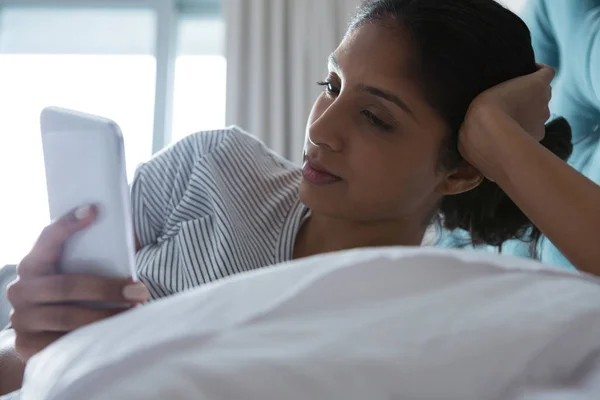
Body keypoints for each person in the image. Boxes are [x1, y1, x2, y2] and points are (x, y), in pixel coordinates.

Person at [2, 0, 600, 395]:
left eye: (374, 117)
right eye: (330, 86)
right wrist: (31, 345)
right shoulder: (211, 167)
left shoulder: (447, 310)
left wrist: (496, 135)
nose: (321, 129)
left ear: (463, 172)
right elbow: (24, 363)